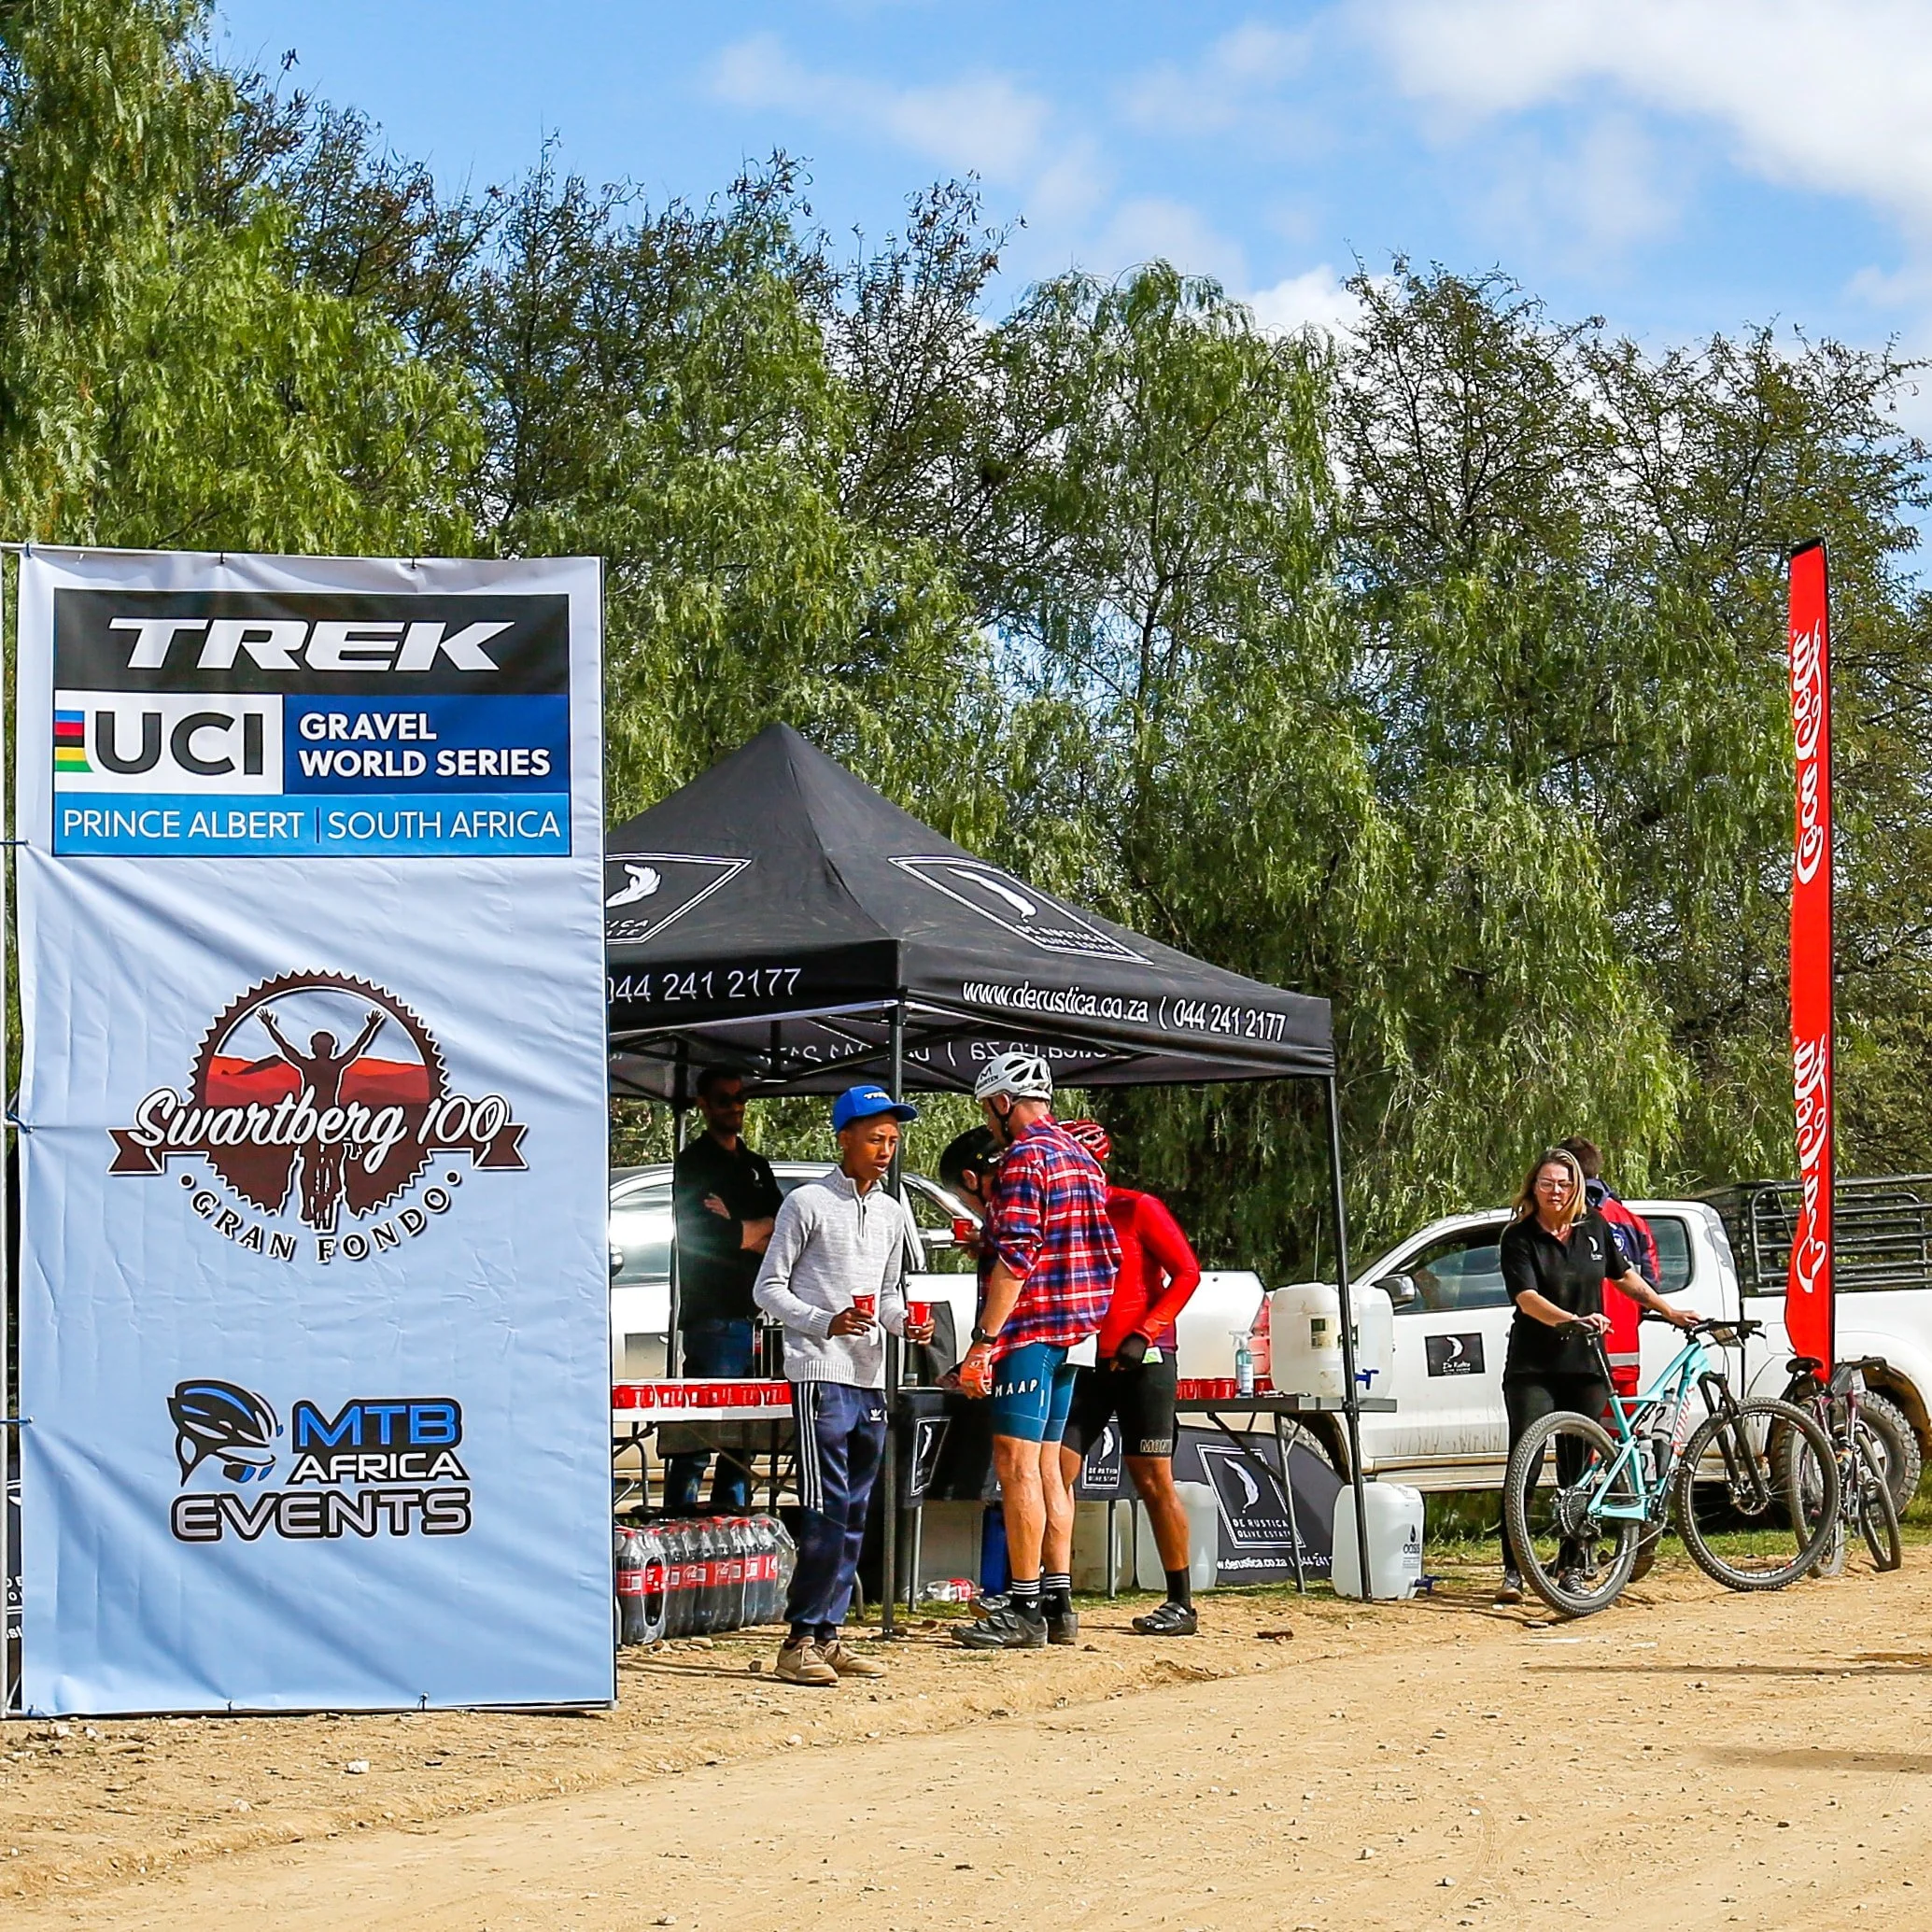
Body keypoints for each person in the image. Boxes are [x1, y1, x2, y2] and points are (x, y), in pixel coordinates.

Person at [753, 1083, 935, 1685]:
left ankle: (829, 1634)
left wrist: (908, 1322)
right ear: (845, 1139)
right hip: (819, 1373)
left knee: (856, 1507)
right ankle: (798, 1637)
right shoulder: (806, 1203)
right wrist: (823, 1320)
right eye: (874, 1137)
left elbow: (885, 1296)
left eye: (892, 1138)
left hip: (869, 1374)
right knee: (826, 1505)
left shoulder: (890, 1210)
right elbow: (768, 1288)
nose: (886, 1148)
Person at [952, 1051, 1119, 1652]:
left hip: (1030, 1330)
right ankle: (1058, 1600)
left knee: (1016, 1465)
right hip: (1076, 1330)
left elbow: (1018, 1260)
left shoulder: (1024, 1158)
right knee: (1049, 1467)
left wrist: (981, 1344)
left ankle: (1022, 1607)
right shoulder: (1081, 1156)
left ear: (1001, 1102)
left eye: (987, 1111)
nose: (989, 1124)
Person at [1496, 1146, 1697, 1606]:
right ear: (1533, 1187)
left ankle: (1572, 1565)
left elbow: (1625, 1277)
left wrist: (1667, 1309)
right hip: (1534, 1366)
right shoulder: (1519, 1237)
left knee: (1577, 1472)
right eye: (1546, 1182)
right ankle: (1513, 1569)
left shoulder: (1595, 1228)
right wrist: (1569, 1318)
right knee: (1524, 1463)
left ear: (1577, 1188)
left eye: (1564, 1183)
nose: (1555, 1190)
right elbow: (1525, 1297)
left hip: (1587, 1365)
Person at [1056, 1120, 1205, 1636]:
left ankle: (1181, 1602)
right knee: (1056, 1468)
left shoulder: (1136, 1207)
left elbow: (1187, 1272)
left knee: (1152, 1478)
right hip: (1086, 1361)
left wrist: (1146, 1332)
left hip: (1145, 1361)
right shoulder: (1062, 1218)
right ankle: (1049, 1595)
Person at [668, 1066, 783, 1514]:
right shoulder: (693, 1163)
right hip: (713, 1315)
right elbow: (704, 1238)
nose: (734, 1106)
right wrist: (748, 1231)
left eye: (739, 1098)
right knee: (700, 1432)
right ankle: (678, 1521)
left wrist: (739, 1225)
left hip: (757, 1313)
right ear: (702, 1104)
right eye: (723, 1098)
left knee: (745, 1437)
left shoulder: (755, 1165)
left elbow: (783, 1232)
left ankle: (734, 1525)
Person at [1558, 1135, 1662, 1405]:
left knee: (1582, 1434)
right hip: (1623, 1346)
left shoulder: (1560, 1219)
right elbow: (1651, 1283)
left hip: (1577, 1346)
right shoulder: (1633, 1222)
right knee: (1622, 1437)